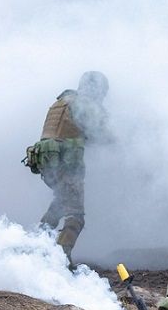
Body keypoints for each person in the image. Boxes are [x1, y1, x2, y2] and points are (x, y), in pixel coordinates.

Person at [23, 71, 109, 264]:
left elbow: (66, 130)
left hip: (45, 162)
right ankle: (61, 259)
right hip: (65, 163)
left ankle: (34, 247)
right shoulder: (85, 105)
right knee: (76, 215)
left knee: (61, 203)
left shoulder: (61, 102)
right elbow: (101, 134)